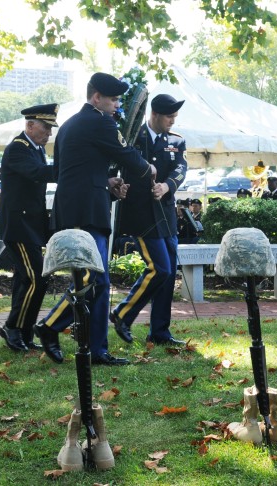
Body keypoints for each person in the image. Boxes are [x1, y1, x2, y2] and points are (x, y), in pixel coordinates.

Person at [35, 72, 156, 366]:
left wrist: (106, 183)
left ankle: (95, 348)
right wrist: (148, 169)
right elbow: (125, 153)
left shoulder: (69, 126)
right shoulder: (100, 121)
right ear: (96, 98)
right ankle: (52, 327)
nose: (116, 105)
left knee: (94, 281)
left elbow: (68, 170)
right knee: (94, 279)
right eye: (113, 99)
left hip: (75, 208)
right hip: (86, 212)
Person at [110, 94, 187, 346]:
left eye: (175, 116)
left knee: (167, 274)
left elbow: (180, 169)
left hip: (165, 214)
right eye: (169, 116)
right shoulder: (132, 137)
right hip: (141, 215)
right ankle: (123, 313)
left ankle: (160, 332)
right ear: (154, 114)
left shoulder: (176, 141)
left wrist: (167, 186)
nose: (173, 121)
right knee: (160, 268)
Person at [0, 103, 59, 352]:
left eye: (51, 128)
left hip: (29, 225)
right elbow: (37, 173)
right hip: (18, 225)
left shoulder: (36, 148)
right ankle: (13, 327)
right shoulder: (18, 148)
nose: (49, 133)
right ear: (30, 125)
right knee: (37, 278)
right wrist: (72, 168)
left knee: (26, 279)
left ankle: (22, 331)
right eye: (46, 127)